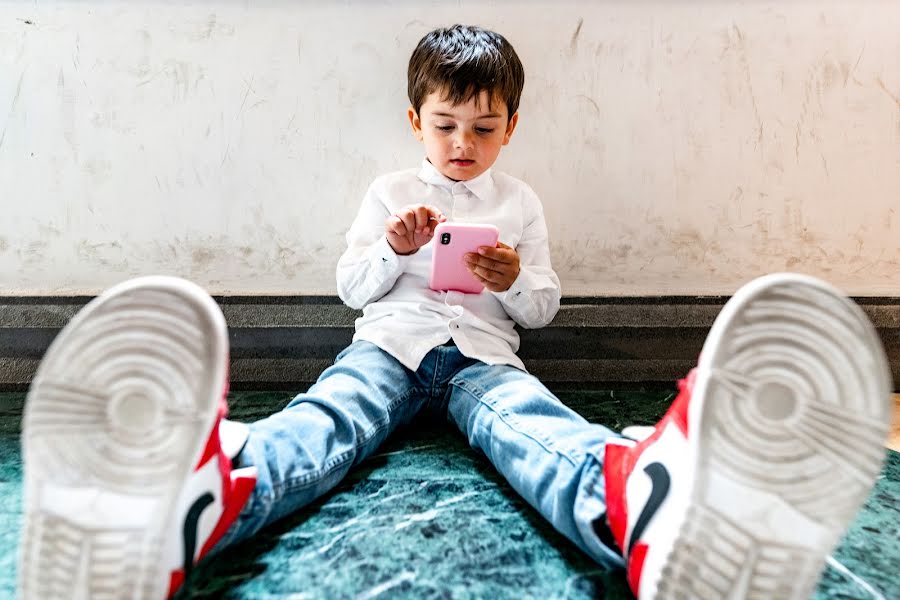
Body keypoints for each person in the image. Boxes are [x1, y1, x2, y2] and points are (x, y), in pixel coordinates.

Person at [17, 25, 892, 600]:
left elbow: (542, 310)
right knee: (329, 420)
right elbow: (351, 289)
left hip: (482, 358)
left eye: (482, 129)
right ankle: (195, 500)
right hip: (390, 346)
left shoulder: (520, 201)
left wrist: (510, 274)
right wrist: (394, 251)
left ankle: (641, 506)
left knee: (530, 428)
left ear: (510, 128)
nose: (462, 146)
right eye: (445, 127)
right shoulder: (388, 190)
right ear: (415, 122)